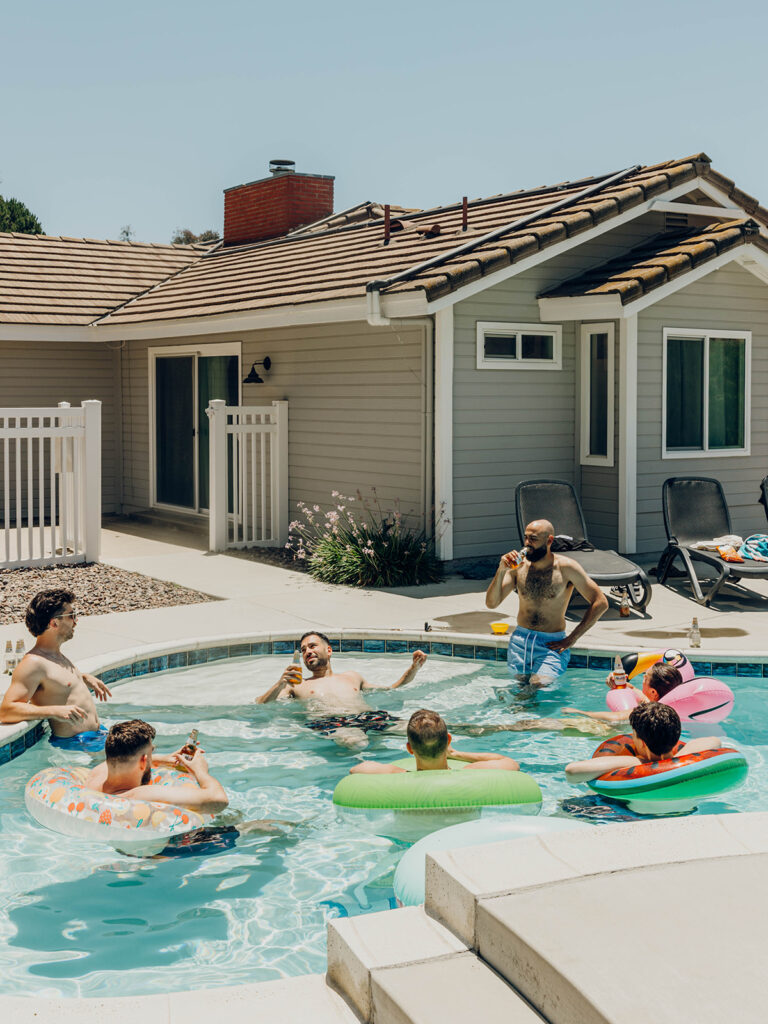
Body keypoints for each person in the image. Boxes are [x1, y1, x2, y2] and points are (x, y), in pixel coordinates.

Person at [85, 720, 289, 856]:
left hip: (124, 844)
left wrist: (165, 759)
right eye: (152, 752)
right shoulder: (140, 795)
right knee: (259, 826)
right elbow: (218, 801)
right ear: (142, 761)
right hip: (159, 853)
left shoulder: (98, 774)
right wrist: (201, 771)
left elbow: (126, 760)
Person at [485, 519, 608, 687]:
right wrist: (501, 570)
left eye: (533, 539)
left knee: (538, 685)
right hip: (520, 641)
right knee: (520, 687)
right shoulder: (518, 567)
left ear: (549, 540)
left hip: (551, 644)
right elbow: (492, 603)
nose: (527, 544)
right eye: (526, 538)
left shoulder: (566, 567)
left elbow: (600, 602)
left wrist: (572, 638)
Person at [256, 631, 427, 749]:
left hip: (370, 717)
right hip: (333, 722)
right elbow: (260, 704)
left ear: (328, 650)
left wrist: (414, 668)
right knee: (356, 743)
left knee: (425, 730)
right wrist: (280, 683)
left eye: (312, 646)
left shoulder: (352, 676)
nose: (307, 651)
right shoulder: (296, 685)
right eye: (303, 650)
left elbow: (393, 688)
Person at [0, 589, 112, 751]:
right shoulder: (32, 663)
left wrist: (84, 677)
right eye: (71, 615)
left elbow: (56, 681)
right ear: (54, 623)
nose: (76, 621)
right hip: (77, 746)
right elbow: (6, 710)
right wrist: (54, 711)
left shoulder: (55, 656)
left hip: (96, 736)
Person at [564, 702, 721, 783]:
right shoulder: (685, 759)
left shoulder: (634, 761)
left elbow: (572, 772)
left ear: (643, 744)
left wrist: (638, 761)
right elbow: (715, 741)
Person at [350, 708, 520, 774]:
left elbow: (356, 770)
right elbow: (510, 763)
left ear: (409, 748)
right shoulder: (469, 774)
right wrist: (455, 753)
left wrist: (396, 770)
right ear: (448, 740)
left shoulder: (399, 777)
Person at [561, 661, 683, 726]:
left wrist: (580, 712)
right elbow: (633, 690)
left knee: (565, 724)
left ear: (653, 692)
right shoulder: (672, 706)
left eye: (645, 678)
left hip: (619, 730)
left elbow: (616, 718)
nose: (642, 680)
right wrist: (619, 683)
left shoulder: (649, 711)